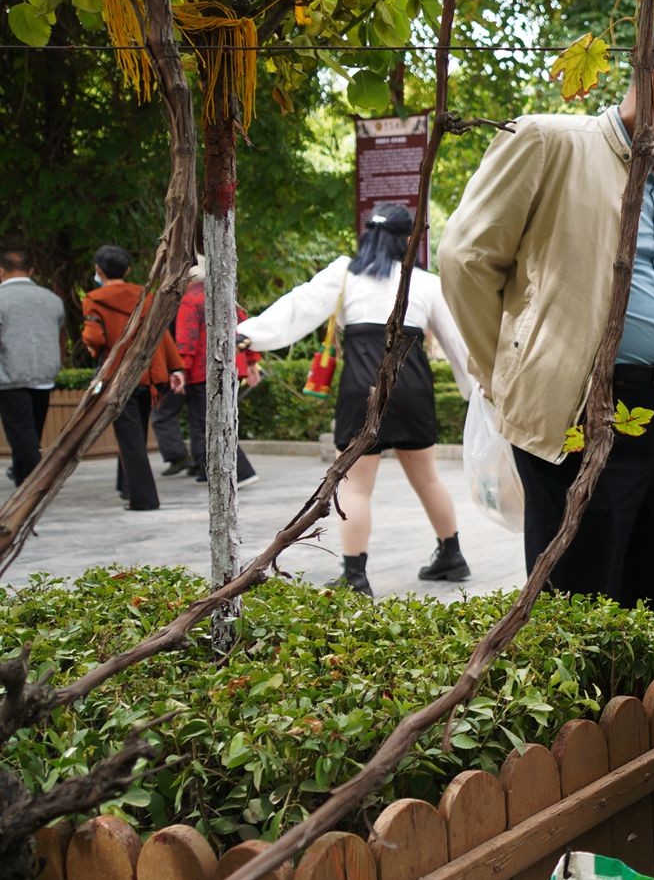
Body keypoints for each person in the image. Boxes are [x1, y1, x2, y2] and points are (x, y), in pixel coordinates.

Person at [440, 31, 654, 616]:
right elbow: (466, 260)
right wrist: (504, 376)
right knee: (582, 600)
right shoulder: (551, 144)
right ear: (652, 83)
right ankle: (590, 712)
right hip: (585, 411)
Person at [238, 206, 473, 596]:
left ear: (368, 235)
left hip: (364, 389)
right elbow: (459, 345)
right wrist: (479, 393)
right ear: (406, 240)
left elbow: (299, 306)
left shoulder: (344, 273)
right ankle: (453, 555)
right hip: (413, 389)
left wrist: (250, 334)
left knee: (356, 487)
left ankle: (355, 575)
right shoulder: (424, 282)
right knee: (427, 476)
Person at [82, 245, 184, 511]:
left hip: (118, 374)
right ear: (127, 270)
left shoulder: (94, 298)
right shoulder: (146, 296)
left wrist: (94, 348)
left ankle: (144, 499)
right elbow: (161, 334)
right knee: (134, 433)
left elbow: (94, 337)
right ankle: (126, 487)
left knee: (130, 438)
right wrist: (175, 368)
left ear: (99, 270)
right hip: (149, 374)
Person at [170, 257, 261, 487]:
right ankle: (206, 470)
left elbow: (187, 340)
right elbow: (245, 332)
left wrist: (181, 369)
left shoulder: (190, 301)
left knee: (210, 421)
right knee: (211, 419)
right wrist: (251, 363)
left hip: (204, 371)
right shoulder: (226, 296)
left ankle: (242, 471)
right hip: (232, 366)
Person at [0, 250, 66, 485]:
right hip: (45, 375)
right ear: (31, 271)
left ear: (1, 271)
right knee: (31, 434)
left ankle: (35, 483)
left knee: (22, 435)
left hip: (10, 376)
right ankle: (22, 479)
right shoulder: (51, 299)